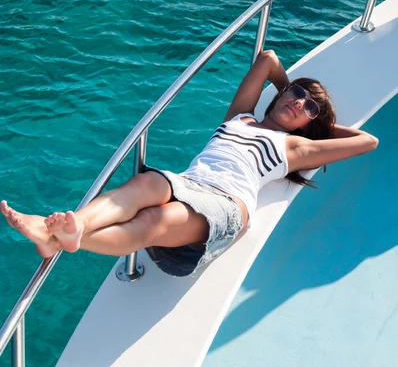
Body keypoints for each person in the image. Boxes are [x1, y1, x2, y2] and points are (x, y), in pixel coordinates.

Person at [0, 50, 378, 277]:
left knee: (154, 220)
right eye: (297, 94)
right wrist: (290, 94)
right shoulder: (240, 117)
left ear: (310, 123)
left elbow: (368, 142)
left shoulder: (296, 146)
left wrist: (319, 124)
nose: (299, 103)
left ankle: (57, 238)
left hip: (228, 203)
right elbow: (267, 60)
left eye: (308, 107)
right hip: (189, 182)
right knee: (144, 186)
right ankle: (70, 230)